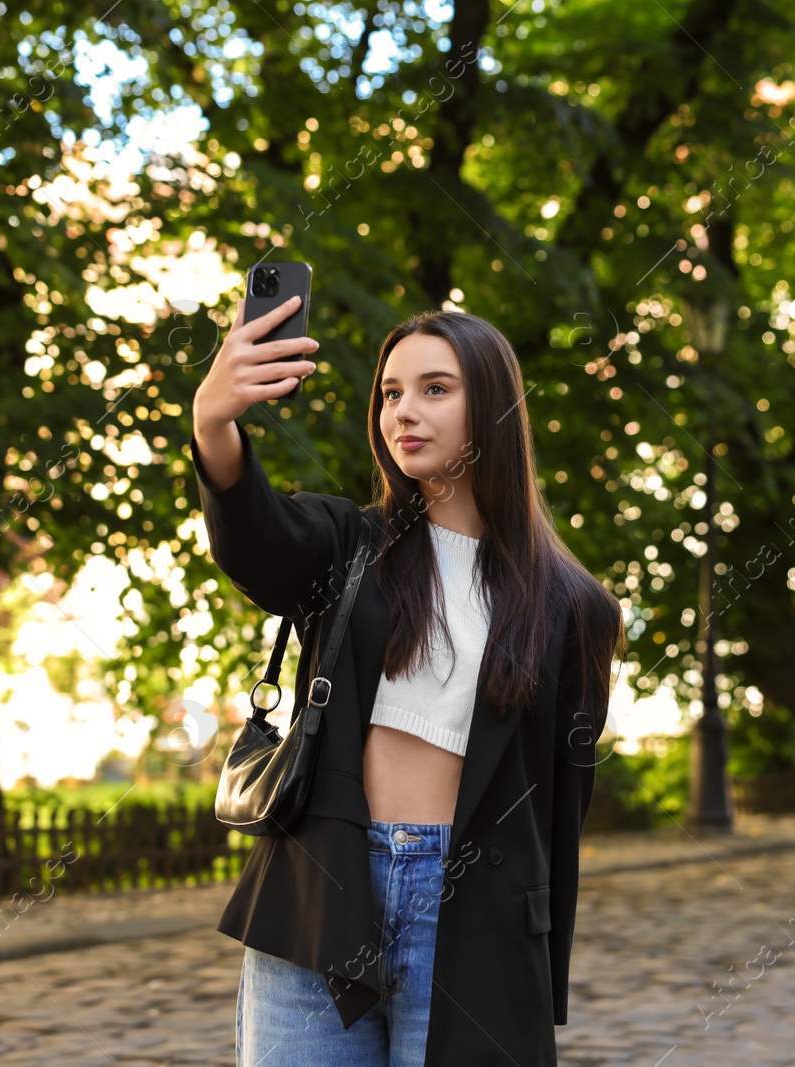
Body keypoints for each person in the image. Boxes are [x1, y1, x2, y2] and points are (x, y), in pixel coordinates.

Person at [191, 294, 624, 1066]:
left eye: (435, 388)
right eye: (391, 392)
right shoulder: (349, 545)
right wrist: (214, 424)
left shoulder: (574, 607)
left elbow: (560, 808)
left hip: (475, 918)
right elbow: (256, 536)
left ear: (492, 407)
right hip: (324, 892)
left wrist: (539, 970)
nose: (403, 411)